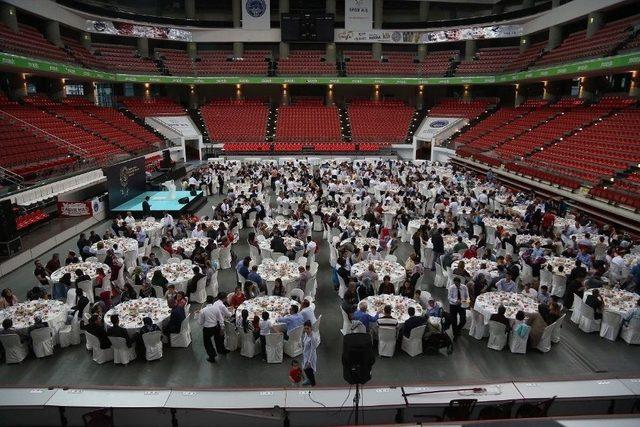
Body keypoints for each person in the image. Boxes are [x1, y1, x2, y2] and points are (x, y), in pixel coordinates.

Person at [198, 296, 222, 363]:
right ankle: (220, 350)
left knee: (207, 343)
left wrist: (198, 315)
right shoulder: (216, 308)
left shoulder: (203, 310)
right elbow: (220, 319)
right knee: (217, 339)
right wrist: (222, 328)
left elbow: (200, 322)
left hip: (207, 329)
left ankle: (212, 356)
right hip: (216, 327)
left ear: (206, 302)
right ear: (213, 301)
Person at [302, 320, 319, 386]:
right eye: (305, 328)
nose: (306, 330)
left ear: (311, 328)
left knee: (309, 369)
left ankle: (313, 383)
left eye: (307, 328)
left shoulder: (313, 337)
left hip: (310, 356)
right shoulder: (306, 334)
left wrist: (309, 361)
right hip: (306, 354)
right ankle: (309, 379)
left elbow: (313, 349)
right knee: (305, 368)